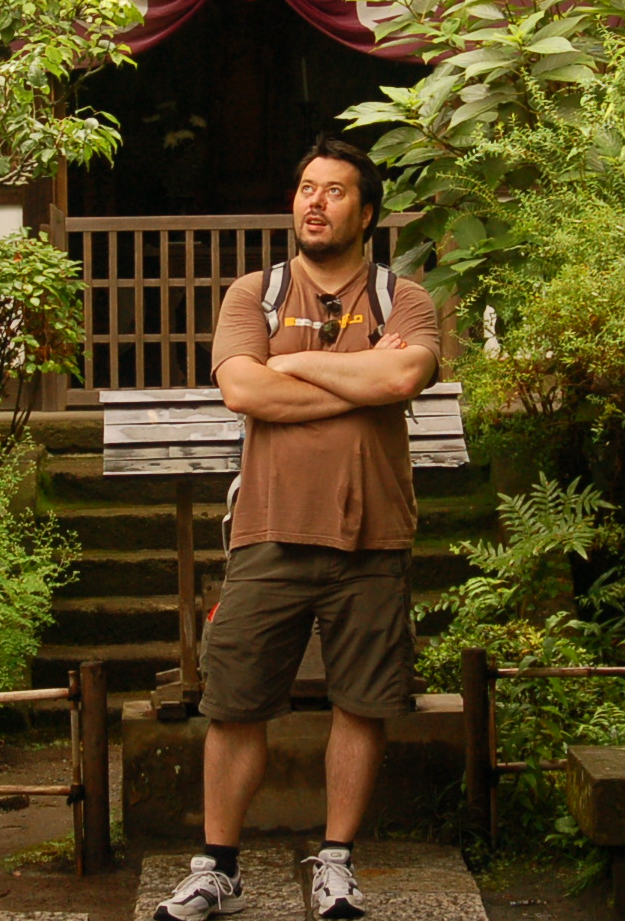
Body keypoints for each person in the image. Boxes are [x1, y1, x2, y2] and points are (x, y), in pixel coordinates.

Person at [153, 136, 442, 921]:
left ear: (367, 212)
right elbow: (245, 393)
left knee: (362, 704)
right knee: (234, 703)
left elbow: (402, 374)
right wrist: (358, 382)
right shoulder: (256, 293)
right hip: (269, 530)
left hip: (373, 532)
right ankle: (218, 869)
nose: (315, 202)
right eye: (307, 188)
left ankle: (337, 863)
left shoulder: (404, 299)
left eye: (335, 190)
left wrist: (291, 364)